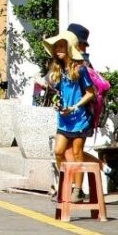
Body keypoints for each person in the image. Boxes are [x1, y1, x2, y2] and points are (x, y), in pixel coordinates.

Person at [43, 29, 96, 201]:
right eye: (56, 47)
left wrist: (74, 107)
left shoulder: (80, 69)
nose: (57, 49)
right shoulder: (57, 70)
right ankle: (66, 184)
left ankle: (78, 190)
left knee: (77, 152)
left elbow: (91, 93)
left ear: (69, 48)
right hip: (64, 119)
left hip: (80, 119)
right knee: (58, 151)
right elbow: (59, 93)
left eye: (61, 46)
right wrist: (57, 102)